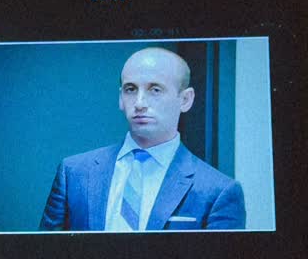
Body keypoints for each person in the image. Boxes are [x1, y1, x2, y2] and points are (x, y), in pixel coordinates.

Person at [40, 46, 246, 231]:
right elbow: (47, 258)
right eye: (131, 89)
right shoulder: (74, 172)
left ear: (185, 100)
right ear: (121, 98)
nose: (139, 103)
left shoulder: (218, 192)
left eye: (155, 90)